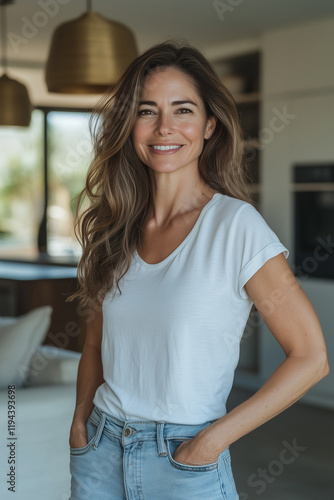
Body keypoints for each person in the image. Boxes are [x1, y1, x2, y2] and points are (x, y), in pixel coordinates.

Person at [67, 40, 329, 500]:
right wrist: (79, 422)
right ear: (129, 125)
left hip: (182, 460)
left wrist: (212, 440)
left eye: (182, 110)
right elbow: (95, 342)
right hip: (100, 451)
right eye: (147, 111)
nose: (164, 127)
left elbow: (311, 358)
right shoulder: (117, 227)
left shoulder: (235, 226)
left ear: (209, 125)